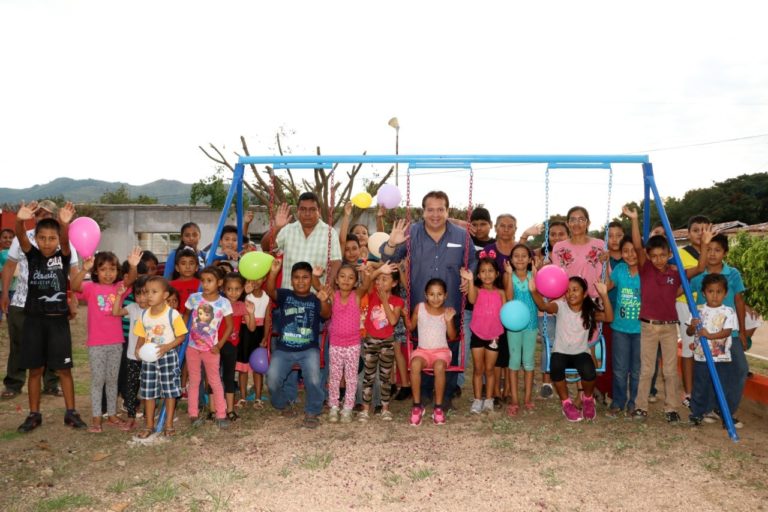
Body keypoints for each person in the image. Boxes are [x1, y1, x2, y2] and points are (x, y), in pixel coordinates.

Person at [381, 191, 477, 409]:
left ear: (447, 211)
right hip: (419, 304)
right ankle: (423, 392)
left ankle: (447, 394)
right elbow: (389, 259)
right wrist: (392, 244)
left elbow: (472, 260)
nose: (435, 214)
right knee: (421, 345)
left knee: (449, 345)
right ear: (423, 211)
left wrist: (468, 277)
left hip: (451, 300)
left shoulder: (461, 236)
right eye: (430, 209)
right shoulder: (410, 233)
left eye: (440, 209)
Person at [625, 206, 710, 422]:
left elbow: (700, 268)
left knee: (670, 371)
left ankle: (671, 407)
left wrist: (706, 244)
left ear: (670, 254)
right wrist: (635, 220)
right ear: (648, 257)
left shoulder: (675, 272)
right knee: (646, 369)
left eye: (663, 255)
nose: (659, 259)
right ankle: (641, 406)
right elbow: (637, 245)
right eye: (654, 256)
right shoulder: (646, 270)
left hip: (670, 327)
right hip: (649, 326)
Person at [14, 201, 88, 433]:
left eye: (52, 238)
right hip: (34, 321)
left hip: (58, 322)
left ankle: (71, 412)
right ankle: (34, 414)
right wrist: (19, 221)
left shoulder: (64, 255)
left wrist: (64, 225)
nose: (47, 242)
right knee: (35, 370)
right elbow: (21, 237)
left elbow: (66, 242)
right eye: (42, 238)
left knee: (63, 370)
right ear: (36, 239)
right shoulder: (32, 255)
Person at [1, 200, 78, 400]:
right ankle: (14, 383)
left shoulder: (62, 240)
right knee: (19, 345)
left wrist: (73, 299)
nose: (42, 216)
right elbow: (9, 266)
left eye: (47, 214)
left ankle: (51, 384)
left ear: (53, 216)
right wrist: (4, 294)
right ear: (34, 216)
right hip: (21, 301)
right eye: (39, 213)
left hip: (52, 306)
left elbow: (72, 271)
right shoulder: (23, 238)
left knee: (53, 348)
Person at [71, 249, 142, 433]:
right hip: (96, 344)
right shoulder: (90, 288)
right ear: (96, 271)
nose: (108, 273)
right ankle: (96, 418)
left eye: (112, 269)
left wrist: (133, 266)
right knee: (97, 381)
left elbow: (131, 280)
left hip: (116, 342)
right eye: (103, 269)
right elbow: (75, 286)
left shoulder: (119, 287)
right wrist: (83, 269)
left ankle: (111, 415)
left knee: (112, 381)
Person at [529, 274, 614, 422]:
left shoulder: (589, 311)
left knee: (589, 370)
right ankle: (566, 403)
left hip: (580, 353)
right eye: (568, 290)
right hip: (561, 352)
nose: (571, 293)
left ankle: (587, 399)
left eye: (575, 290)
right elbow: (544, 306)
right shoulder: (560, 306)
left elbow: (609, 318)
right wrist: (533, 291)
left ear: (585, 293)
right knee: (556, 368)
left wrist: (604, 295)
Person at [264, 259, 331, 429]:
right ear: (291, 279)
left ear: (311, 279)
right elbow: (270, 290)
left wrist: (323, 300)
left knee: (315, 380)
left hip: (309, 350)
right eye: (296, 277)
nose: (301, 281)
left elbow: (327, 314)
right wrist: (273, 272)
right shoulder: (286, 295)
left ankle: (313, 410)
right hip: (284, 349)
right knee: (272, 380)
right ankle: (283, 404)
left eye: (305, 277)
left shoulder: (316, 299)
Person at [689, 234, 747, 427]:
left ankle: (726, 411)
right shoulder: (698, 274)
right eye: (709, 249)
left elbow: (739, 301)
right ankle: (703, 409)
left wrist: (744, 331)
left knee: (739, 370)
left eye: (717, 250)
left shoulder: (733, 274)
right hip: (705, 335)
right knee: (704, 374)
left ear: (725, 253)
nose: (712, 254)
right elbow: (682, 292)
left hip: (731, 333)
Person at [133, 276, 188, 437]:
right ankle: (149, 425)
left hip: (168, 357)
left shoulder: (173, 315)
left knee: (169, 392)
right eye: (146, 292)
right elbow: (141, 335)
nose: (149, 295)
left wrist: (166, 347)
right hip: (149, 360)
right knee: (148, 392)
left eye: (154, 292)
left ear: (165, 295)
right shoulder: (144, 315)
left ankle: (169, 424)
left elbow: (181, 336)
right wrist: (138, 348)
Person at [325, 263, 375, 423]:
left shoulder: (357, 295)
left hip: (353, 344)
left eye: (351, 277)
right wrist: (315, 275)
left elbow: (366, 284)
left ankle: (347, 407)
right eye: (342, 276)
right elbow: (318, 286)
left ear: (355, 282)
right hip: (336, 344)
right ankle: (333, 406)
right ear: (337, 280)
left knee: (351, 377)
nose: (346, 280)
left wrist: (366, 274)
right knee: (334, 376)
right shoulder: (333, 295)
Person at [184, 266, 233, 429]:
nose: (205, 284)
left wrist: (219, 345)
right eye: (203, 280)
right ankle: (193, 414)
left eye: (209, 281)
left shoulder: (224, 303)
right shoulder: (194, 298)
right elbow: (185, 316)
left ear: (219, 283)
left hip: (211, 350)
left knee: (215, 381)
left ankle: (221, 414)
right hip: (192, 347)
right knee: (195, 380)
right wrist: (182, 334)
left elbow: (229, 327)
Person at [460, 249, 508, 415]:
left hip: (494, 336)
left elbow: (506, 314)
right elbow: (471, 300)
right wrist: (470, 281)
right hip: (477, 335)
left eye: (490, 271)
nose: (487, 275)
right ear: (478, 275)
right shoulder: (477, 291)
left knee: (490, 369)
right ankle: (477, 399)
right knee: (478, 369)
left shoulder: (501, 293)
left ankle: (489, 400)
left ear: (496, 274)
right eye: (483, 271)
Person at [687, 274, 739, 427]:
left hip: (721, 358)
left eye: (719, 292)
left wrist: (709, 335)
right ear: (704, 293)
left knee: (722, 388)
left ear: (725, 293)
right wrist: (692, 325)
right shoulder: (697, 311)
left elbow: (727, 331)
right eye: (710, 291)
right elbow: (690, 333)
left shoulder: (728, 311)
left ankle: (726, 417)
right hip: (701, 357)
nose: (715, 296)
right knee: (700, 387)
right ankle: (696, 414)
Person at [408, 278, 457, 426]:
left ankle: (438, 408)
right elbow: (411, 328)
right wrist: (405, 316)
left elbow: (453, 336)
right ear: (425, 295)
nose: (435, 298)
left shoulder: (447, 312)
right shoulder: (419, 308)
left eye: (439, 294)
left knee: (439, 367)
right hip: (423, 351)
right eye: (432, 294)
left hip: (441, 352)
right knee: (415, 365)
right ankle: (417, 406)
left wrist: (449, 320)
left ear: (446, 295)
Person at [358, 263, 403, 422]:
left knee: (385, 377)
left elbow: (392, 321)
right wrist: (373, 271)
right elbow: (368, 281)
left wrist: (385, 300)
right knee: (368, 376)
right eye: (379, 279)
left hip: (387, 342)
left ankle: (385, 408)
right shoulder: (371, 294)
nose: (380, 283)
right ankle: (365, 409)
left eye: (385, 279)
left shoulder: (397, 301)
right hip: (370, 341)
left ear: (394, 283)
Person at [676, 215, 712, 409]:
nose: (700, 234)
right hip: (686, 304)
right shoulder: (681, 254)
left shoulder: (713, 251)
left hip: (709, 306)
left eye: (704, 229)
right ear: (688, 234)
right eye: (696, 230)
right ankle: (688, 392)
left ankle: (706, 390)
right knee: (690, 347)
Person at [605, 236, 641, 418]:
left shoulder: (645, 271)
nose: (630, 255)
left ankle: (634, 402)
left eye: (634, 250)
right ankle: (618, 401)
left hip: (641, 330)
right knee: (619, 369)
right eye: (625, 251)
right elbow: (608, 286)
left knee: (636, 370)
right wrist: (603, 266)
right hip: (620, 328)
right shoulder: (619, 269)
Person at [535, 220, 570, 399]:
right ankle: (547, 382)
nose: (556, 237)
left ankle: (561, 379)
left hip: (567, 309)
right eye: (553, 234)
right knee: (549, 344)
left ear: (567, 235)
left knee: (564, 344)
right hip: (546, 310)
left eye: (561, 234)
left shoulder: (570, 258)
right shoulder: (543, 258)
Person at [504, 245, 539, 415]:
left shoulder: (534, 275)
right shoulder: (508, 276)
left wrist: (537, 274)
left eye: (524, 256)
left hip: (531, 324)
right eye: (516, 256)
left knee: (529, 361)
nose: (520, 259)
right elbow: (509, 297)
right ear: (511, 260)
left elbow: (539, 295)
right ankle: (515, 399)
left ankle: (527, 399)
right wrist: (509, 275)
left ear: (530, 259)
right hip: (514, 325)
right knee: (515, 361)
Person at [112, 275, 149, 428]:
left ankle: (149, 415)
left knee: (148, 386)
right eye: (138, 294)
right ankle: (131, 416)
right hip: (132, 356)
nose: (141, 298)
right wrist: (119, 295)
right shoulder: (132, 307)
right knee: (132, 386)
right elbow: (115, 312)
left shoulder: (155, 310)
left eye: (145, 293)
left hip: (149, 357)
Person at [219, 272, 256, 421]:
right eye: (229, 289)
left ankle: (230, 409)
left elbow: (252, 328)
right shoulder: (218, 303)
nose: (233, 293)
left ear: (242, 290)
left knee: (228, 377)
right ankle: (213, 409)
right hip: (215, 344)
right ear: (223, 288)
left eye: (237, 289)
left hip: (231, 345)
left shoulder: (241, 306)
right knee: (213, 376)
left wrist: (251, 313)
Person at [239, 277, 271, 409]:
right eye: (252, 279)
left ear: (264, 279)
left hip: (259, 332)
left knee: (258, 367)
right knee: (243, 366)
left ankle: (258, 398)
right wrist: (244, 294)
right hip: (245, 331)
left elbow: (268, 318)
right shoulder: (246, 295)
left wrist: (265, 337)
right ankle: (242, 397)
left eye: (259, 279)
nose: (255, 282)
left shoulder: (267, 297)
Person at [0, 228, 15, 323]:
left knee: (12, 316)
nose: (8, 239)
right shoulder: (0, 254)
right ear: (0, 239)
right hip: (1, 289)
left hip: (14, 289)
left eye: (10, 237)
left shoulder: (18, 255)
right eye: (5, 237)